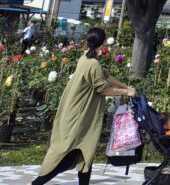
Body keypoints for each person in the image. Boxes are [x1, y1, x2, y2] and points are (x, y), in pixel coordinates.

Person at [32, 28, 137, 185]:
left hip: (80, 114)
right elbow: (103, 89)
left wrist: (127, 87)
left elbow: (106, 75)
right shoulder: (93, 64)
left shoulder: (86, 59)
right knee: (68, 156)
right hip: (80, 117)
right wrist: (126, 92)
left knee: (86, 152)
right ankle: (36, 183)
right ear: (103, 43)